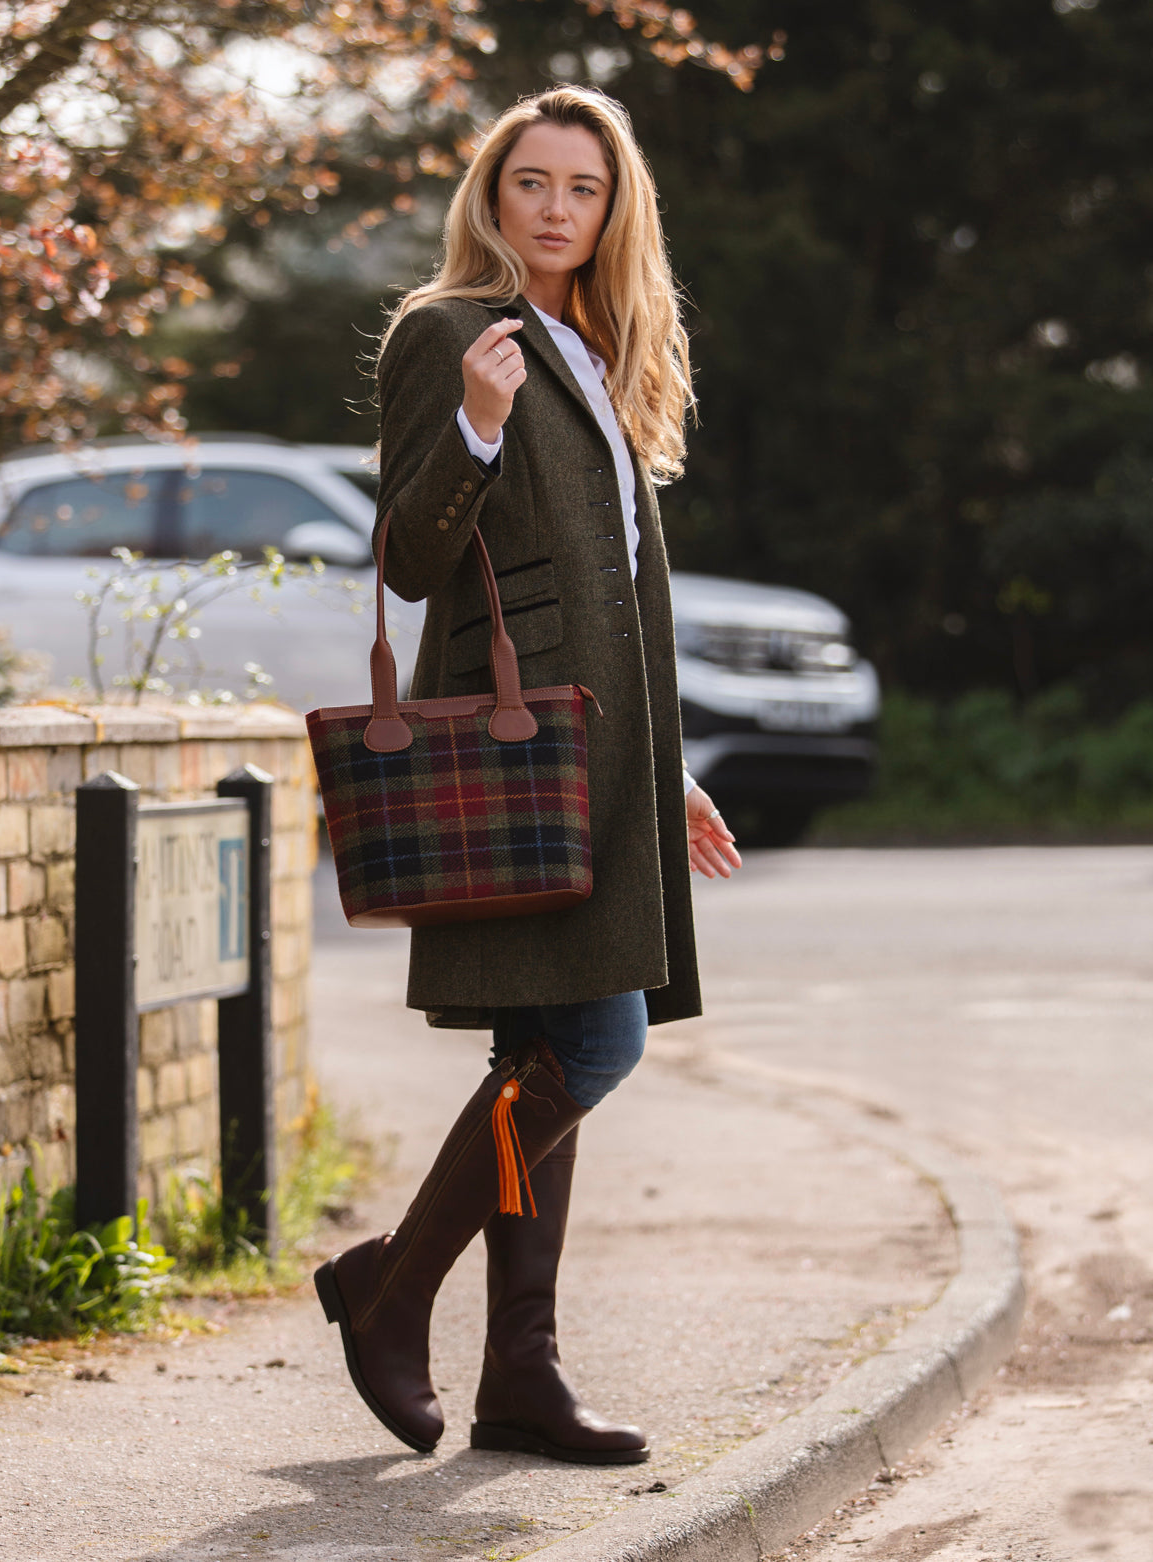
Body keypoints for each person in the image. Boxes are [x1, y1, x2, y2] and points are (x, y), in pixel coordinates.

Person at [315, 84, 741, 1467]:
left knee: (539, 1051)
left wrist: (663, 774)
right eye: (531, 184)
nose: (556, 210)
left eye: (583, 189)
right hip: (525, 761)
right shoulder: (452, 333)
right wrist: (477, 425)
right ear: (490, 197)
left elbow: (613, 590)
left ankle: (519, 1374)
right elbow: (414, 560)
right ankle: (393, 1292)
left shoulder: (594, 343)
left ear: (614, 211)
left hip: (599, 759)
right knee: (589, 1046)